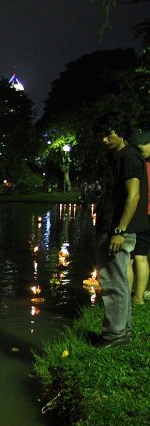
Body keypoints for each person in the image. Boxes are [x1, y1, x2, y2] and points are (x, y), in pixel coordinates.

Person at [92, 114, 148, 348]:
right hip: (112, 226)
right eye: (101, 135)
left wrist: (119, 230)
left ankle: (114, 335)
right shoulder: (116, 157)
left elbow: (133, 196)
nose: (105, 139)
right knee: (119, 280)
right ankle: (122, 330)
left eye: (109, 134)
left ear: (121, 132)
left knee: (112, 281)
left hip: (117, 229)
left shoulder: (129, 158)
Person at [128, 130, 150, 304]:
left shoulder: (137, 166)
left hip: (137, 216)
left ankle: (125, 297)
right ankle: (139, 297)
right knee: (142, 257)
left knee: (128, 259)